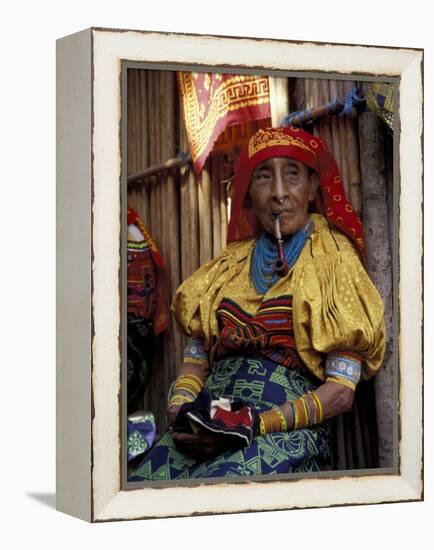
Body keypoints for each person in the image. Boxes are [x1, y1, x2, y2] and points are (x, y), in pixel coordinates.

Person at [129, 126, 386, 481]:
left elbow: (341, 393)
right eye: (264, 177)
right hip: (210, 423)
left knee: (221, 491)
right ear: (248, 192)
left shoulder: (333, 259)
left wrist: (252, 425)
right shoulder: (229, 265)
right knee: (145, 486)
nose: (279, 193)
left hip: (283, 432)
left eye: (292, 175)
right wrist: (181, 412)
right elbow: (194, 364)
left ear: (313, 187)